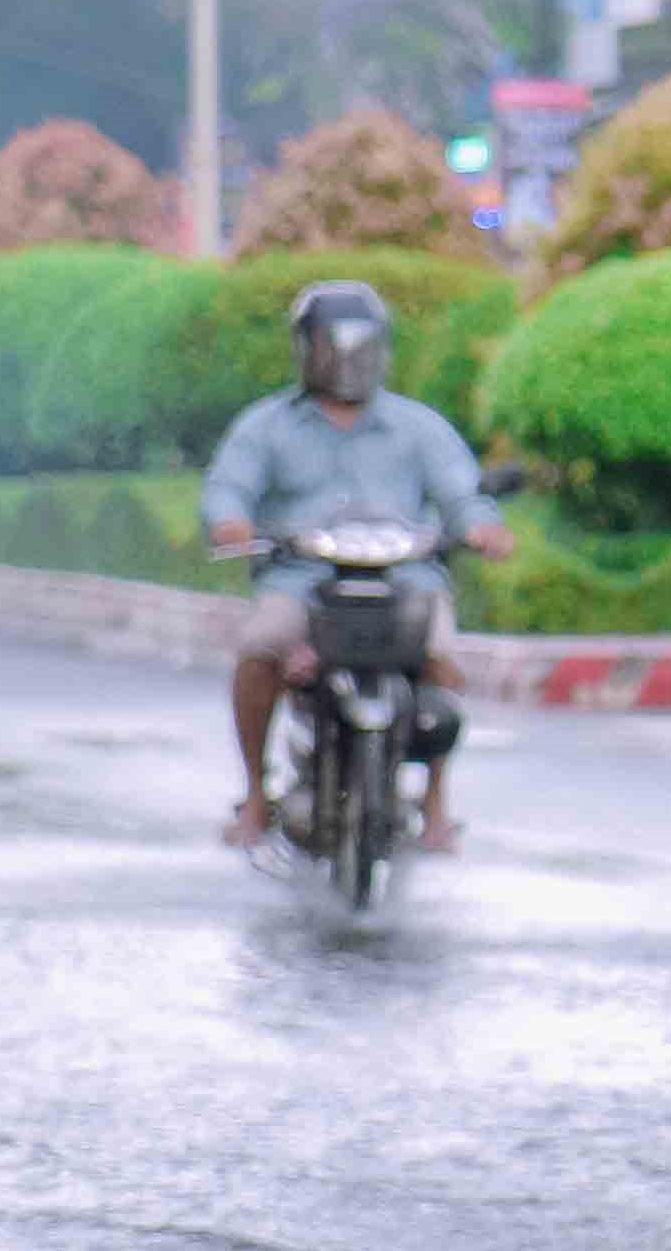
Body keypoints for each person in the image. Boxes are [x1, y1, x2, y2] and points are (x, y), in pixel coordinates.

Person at [200, 277, 508, 852]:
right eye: (332, 346)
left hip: (403, 581)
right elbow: (228, 488)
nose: (347, 360)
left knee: (441, 660)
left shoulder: (418, 427)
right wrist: (231, 522)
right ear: (306, 350)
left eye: (361, 346)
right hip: (303, 584)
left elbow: (460, 493)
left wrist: (480, 527)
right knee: (259, 648)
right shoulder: (266, 427)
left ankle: (437, 803)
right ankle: (257, 793)